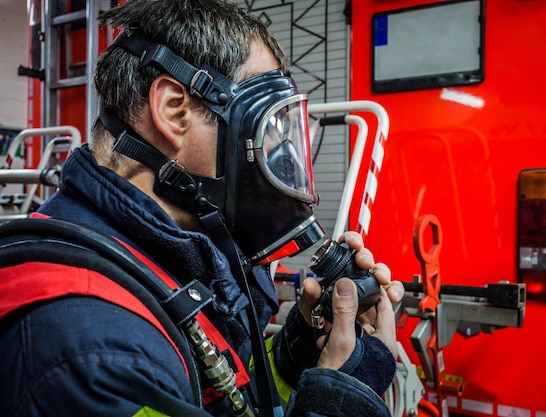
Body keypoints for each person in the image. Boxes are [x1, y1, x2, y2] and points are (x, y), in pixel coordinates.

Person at [0, 1, 404, 416]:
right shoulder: (90, 351)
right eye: (262, 128)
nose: (277, 157)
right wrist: (343, 401)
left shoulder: (155, 258)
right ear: (174, 111)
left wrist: (298, 351)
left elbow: (222, 392)